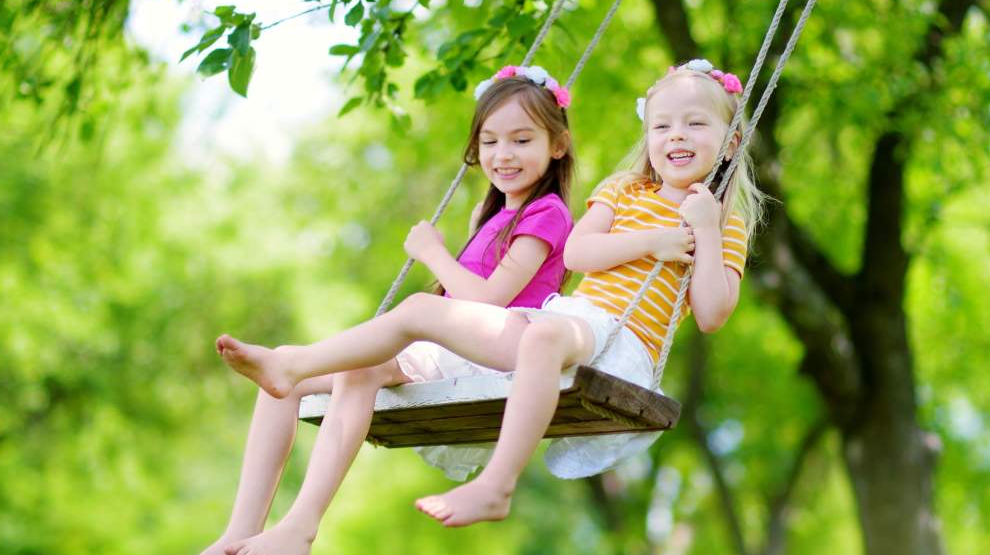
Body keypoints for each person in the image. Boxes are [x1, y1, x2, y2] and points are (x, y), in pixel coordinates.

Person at [217, 60, 760, 530]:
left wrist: (705, 231)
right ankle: (292, 371)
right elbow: (578, 255)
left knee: (530, 331)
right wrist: (658, 240)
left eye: (695, 124)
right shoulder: (622, 191)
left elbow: (712, 313)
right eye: (662, 125)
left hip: (620, 344)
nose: (676, 136)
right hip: (573, 320)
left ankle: (497, 483)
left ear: (731, 140)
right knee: (423, 309)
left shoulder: (724, 223)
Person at [166, 65, 576, 555]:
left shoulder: (548, 213)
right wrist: (467, 236)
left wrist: (433, 252)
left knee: (379, 343)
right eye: (490, 140)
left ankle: (300, 524)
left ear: (557, 145)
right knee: (280, 388)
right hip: (455, 350)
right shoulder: (492, 213)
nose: (503, 154)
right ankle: (237, 536)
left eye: (522, 139)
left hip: (498, 347)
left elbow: (490, 301)